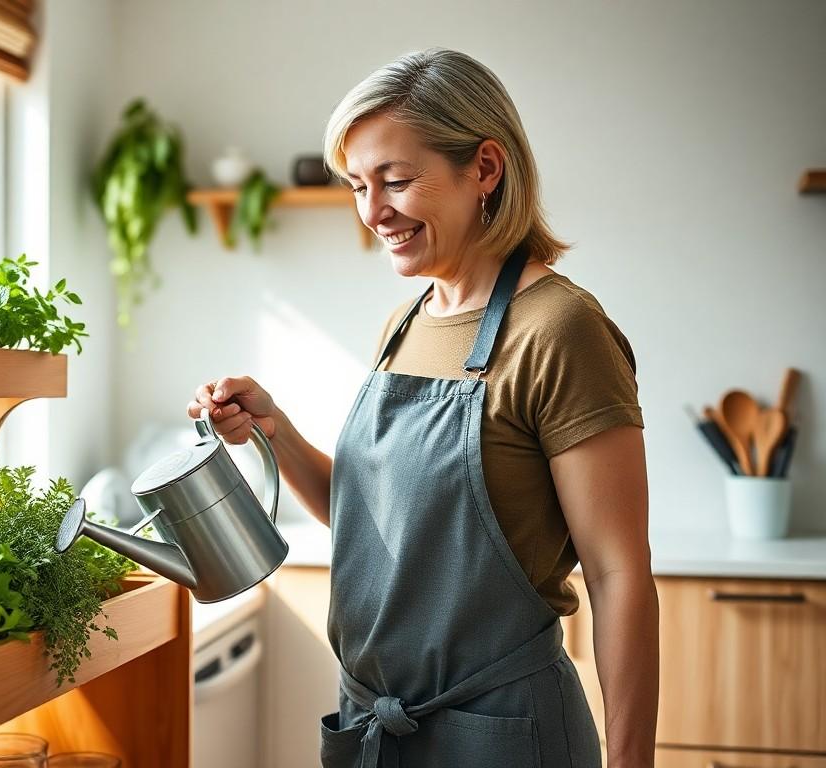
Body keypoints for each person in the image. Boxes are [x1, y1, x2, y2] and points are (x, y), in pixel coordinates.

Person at [188, 48, 658, 768]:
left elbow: (619, 574)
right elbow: (370, 519)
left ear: (486, 169)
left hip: (504, 735)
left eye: (397, 181)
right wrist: (272, 431)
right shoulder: (405, 325)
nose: (373, 212)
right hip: (379, 731)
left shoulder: (561, 330)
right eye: (356, 186)